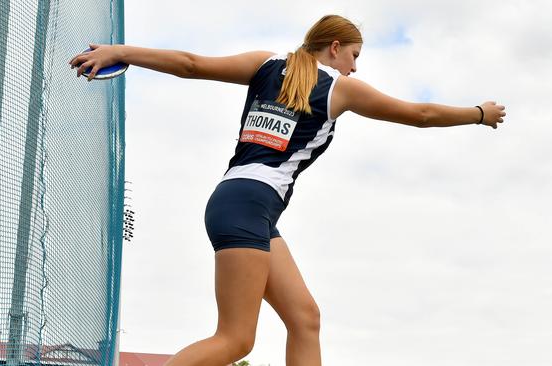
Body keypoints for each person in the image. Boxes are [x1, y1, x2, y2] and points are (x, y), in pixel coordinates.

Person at [70, 14, 506, 366]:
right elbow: (422, 114)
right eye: (354, 55)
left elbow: (191, 64)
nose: (355, 66)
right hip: (246, 205)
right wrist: (478, 113)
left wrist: (122, 51)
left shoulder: (266, 62)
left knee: (305, 318)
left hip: (245, 206)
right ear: (334, 48)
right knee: (236, 339)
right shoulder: (340, 89)